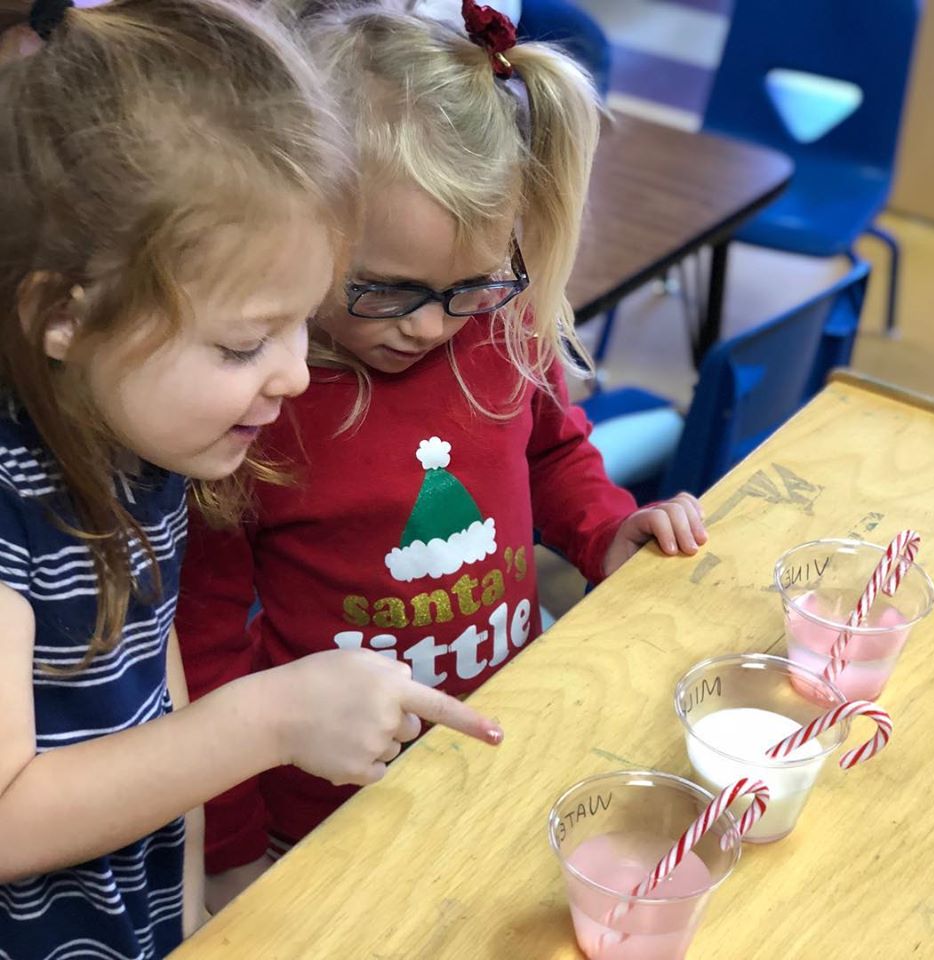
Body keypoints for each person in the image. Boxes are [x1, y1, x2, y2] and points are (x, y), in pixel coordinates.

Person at [176, 0, 707, 912]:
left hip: (508, 746)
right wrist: (226, 850)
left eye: (468, 285)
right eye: (387, 290)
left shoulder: (494, 330)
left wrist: (610, 534)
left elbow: (555, 452)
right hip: (327, 815)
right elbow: (207, 651)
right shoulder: (256, 406)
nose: (430, 324)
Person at [0, 1, 500, 957]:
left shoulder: (138, 441)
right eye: (242, 344)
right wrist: (268, 720)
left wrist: (187, 910)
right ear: (61, 313)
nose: (296, 376)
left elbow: (157, 689)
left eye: (301, 326)